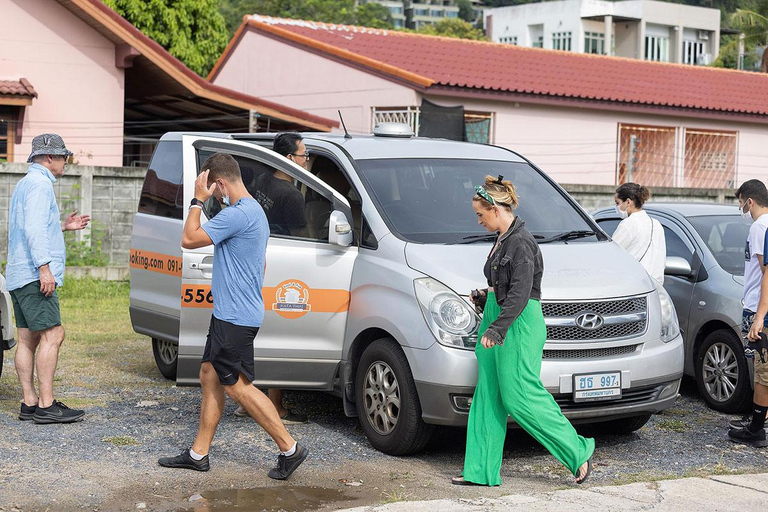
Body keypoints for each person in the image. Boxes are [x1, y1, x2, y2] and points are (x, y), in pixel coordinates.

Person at [158, 153, 308, 479]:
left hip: (235, 318)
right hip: (234, 314)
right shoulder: (252, 212)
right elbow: (260, 264)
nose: (215, 194)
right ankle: (199, 454)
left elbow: (188, 238)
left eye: (215, 188)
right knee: (210, 375)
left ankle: (290, 448)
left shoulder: (239, 215)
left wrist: (197, 199)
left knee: (239, 387)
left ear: (221, 184)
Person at [452, 175, 594, 486]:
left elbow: (521, 293)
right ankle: (480, 471)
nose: (478, 222)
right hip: (498, 315)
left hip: (517, 323)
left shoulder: (521, 242)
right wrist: (485, 297)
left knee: (520, 396)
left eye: (480, 214)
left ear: (495, 209)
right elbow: (504, 287)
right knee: (488, 396)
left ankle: (577, 450)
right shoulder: (502, 239)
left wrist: (498, 328)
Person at [7, 133, 90, 424]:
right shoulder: (41, 185)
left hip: (17, 273)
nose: (66, 161)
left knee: (27, 339)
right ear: (50, 158)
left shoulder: (25, 184)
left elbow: (31, 226)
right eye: (63, 156)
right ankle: (46, 404)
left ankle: (29, 403)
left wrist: (61, 227)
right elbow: (33, 230)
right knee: (54, 334)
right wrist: (44, 268)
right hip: (34, 274)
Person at [234, 132, 309, 424]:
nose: (307, 160)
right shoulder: (293, 196)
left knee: (257, 336)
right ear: (290, 159)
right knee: (282, 332)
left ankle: (245, 399)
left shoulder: (263, 181)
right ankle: (275, 405)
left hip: (261, 259)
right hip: (284, 264)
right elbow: (304, 237)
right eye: (304, 155)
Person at [730, 180, 768, 447]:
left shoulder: (759, 227)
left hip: (758, 306)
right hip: (759, 306)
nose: (741, 207)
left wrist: (758, 315)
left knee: (760, 369)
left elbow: (766, 273)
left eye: (741, 202)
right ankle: (758, 422)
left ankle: (756, 427)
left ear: (749, 201)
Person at [611, 183, 666, 285]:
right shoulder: (656, 224)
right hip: (655, 286)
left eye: (617, 203)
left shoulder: (628, 224)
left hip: (634, 286)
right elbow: (661, 261)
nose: (616, 207)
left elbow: (612, 254)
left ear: (628, 202)